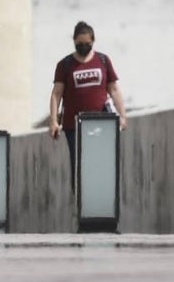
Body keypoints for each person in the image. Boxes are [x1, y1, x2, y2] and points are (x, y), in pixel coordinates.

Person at [48, 21, 128, 187]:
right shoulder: (65, 65)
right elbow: (56, 94)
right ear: (74, 42)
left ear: (93, 41)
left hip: (101, 123)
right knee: (79, 167)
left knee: (101, 165)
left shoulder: (103, 60)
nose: (83, 47)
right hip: (74, 126)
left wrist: (122, 115)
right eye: (79, 44)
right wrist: (54, 121)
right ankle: (79, 206)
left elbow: (113, 89)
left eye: (87, 44)